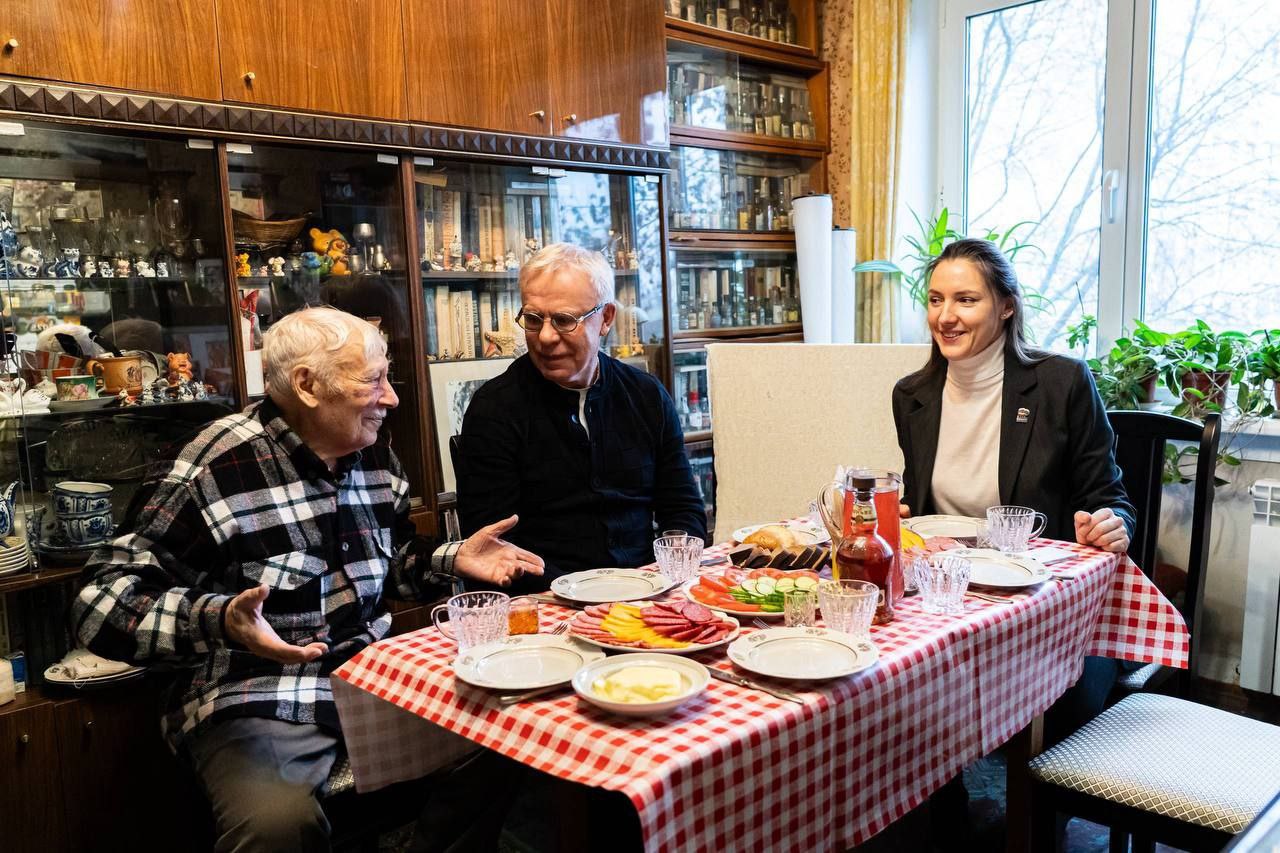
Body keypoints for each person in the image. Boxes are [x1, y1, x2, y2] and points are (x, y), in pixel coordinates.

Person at [71, 306, 544, 852]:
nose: (391, 397)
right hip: (255, 692)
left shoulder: (374, 455)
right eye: (373, 381)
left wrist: (450, 559)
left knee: (513, 742)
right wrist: (220, 620)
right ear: (307, 386)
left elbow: (386, 565)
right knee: (275, 824)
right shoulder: (212, 464)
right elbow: (98, 603)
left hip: (372, 676)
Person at [457, 242, 707, 592]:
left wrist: (666, 577)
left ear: (605, 319)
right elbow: (494, 546)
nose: (545, 337)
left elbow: (683, 511)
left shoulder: (647, 395)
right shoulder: (494, 409)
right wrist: (587, 597)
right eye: (532, 319)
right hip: (546, 600)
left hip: (647, 589)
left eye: (563, 320)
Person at [891, 237, 1135, 550]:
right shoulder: (911, 396)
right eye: (936, 300)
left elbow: (1109, 499)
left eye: (966, 300)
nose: (945, 317)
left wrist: (1110, 524)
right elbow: (919, 503)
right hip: (944, 576)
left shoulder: (1063, 383)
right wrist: (895, 516)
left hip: (1033, 576)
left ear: (1007, 306)